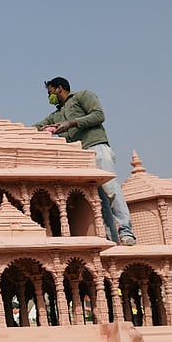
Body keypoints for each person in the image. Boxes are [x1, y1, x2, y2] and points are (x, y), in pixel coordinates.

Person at [35, 77, 137, 245]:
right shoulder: (57, 114)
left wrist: (71, 123)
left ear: (59, 88)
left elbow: (98, 115)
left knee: (110, 189)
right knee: (99, 200)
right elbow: (37, 126)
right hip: (80, 157)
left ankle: (127, 232)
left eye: (50, 92)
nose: (49, 97)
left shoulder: (82, 96)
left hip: (96, 146)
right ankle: (112, 240)